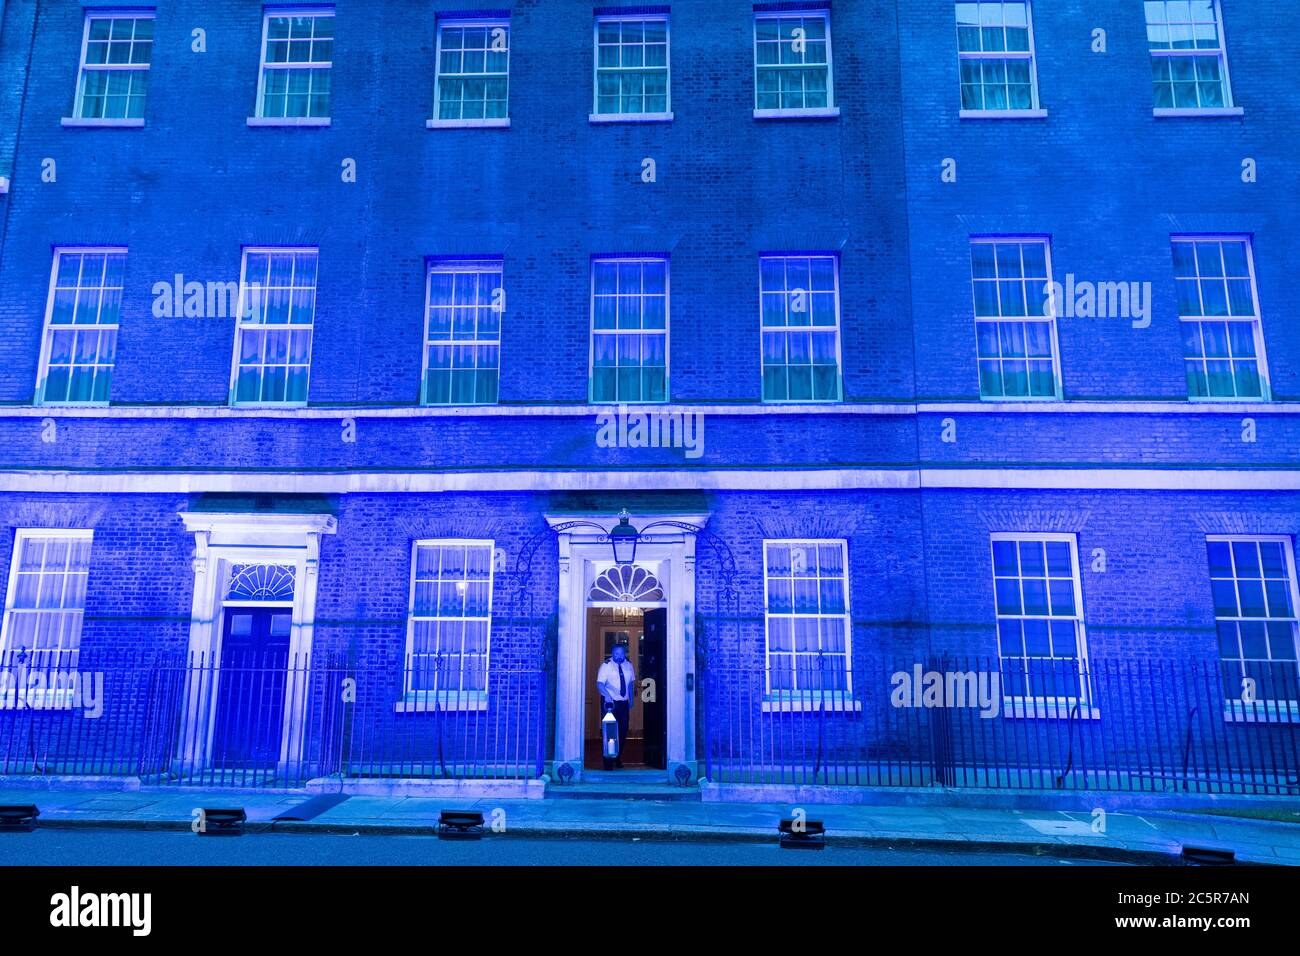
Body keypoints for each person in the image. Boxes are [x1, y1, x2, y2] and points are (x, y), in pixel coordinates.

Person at [596, 640, 635, 770]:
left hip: (623, 704)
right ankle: (608, 762)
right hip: (610, 704)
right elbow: (600, 684)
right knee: (610, 731)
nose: (619, 656)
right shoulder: (606, 665)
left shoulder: (628, 665)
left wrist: (631, 699)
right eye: (616, 653)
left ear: (624, 653)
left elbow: (630, 683)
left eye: (621, 653)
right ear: (613, 654)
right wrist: (607, 696)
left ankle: (617, 756)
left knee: (623, 732)